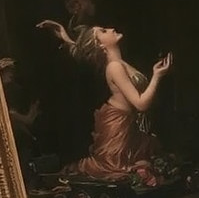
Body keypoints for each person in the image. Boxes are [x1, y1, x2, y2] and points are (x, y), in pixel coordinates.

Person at [36, 19, 172, 183]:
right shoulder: (115, 67)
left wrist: (66, 37)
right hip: (117, 125)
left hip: (129, 125)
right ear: (101, 45)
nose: (110, 28)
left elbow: (86, 51)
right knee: (117, 168)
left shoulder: (118, 62)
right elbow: (141, 104)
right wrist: (157, 76)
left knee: (148, 161)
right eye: (103, 31)